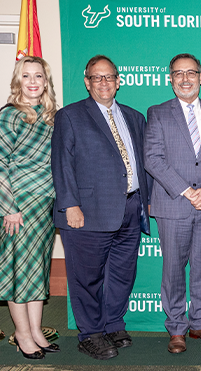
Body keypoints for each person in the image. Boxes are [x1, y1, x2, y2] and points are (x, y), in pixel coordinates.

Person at [51, 55, 151, 360]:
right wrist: (70, 205)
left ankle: (112, 324)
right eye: (97, 77)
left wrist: (145, 201)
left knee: (122, 274)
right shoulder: (70, 116)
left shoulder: (134, 117)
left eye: (109, 77)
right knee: (87, 277)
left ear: (119, 81)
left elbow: (142, 163)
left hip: (131, 208)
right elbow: (62, 163)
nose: (104, 82)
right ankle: (90, 334)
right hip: (87, 212)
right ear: (87, 82)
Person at [144, 53, 201, 354]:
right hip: (172, 204)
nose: (184, 79)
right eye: (178, 73)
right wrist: (185, 190)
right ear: (170, 79)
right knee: (173, 270)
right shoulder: (157, 112)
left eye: (190, 72)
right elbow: (152, 158)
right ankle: (176, 328)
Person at [0, 56, 59, 360]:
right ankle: (21, 334)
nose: (33, 82)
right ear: (18, 81)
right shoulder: (9, 115)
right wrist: (9, 208)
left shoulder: (51, 116)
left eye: (39, 77)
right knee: (20, 270)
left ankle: (35, 331)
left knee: (37, 269)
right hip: (17, 204)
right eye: (26, 76)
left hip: (45, 202)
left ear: (46, 82)